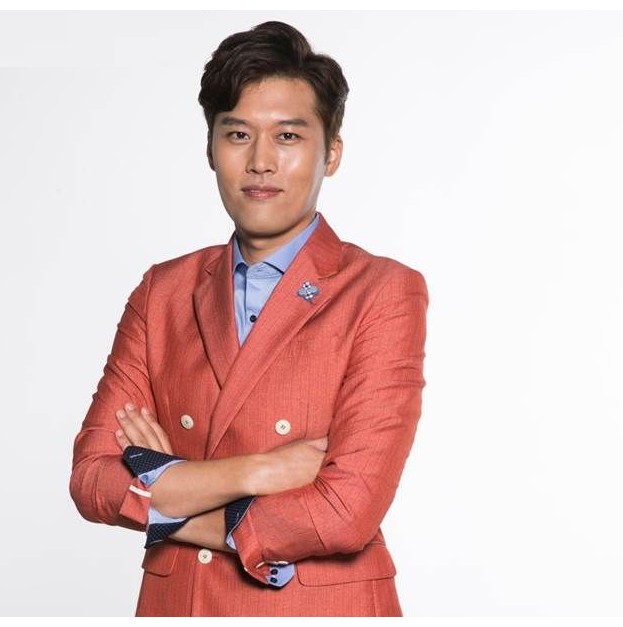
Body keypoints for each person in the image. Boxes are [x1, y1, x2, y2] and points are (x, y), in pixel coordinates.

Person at [69, 20, 428, 617]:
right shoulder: (163, 292)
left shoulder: (382, 292)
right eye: (238, 134)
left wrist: (170, 485)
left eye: (288, 136)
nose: (261, 161)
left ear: (331, 153)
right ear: (210, 149)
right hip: (183, 604)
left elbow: (346, 511)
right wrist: (262, 471)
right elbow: (92, 480)